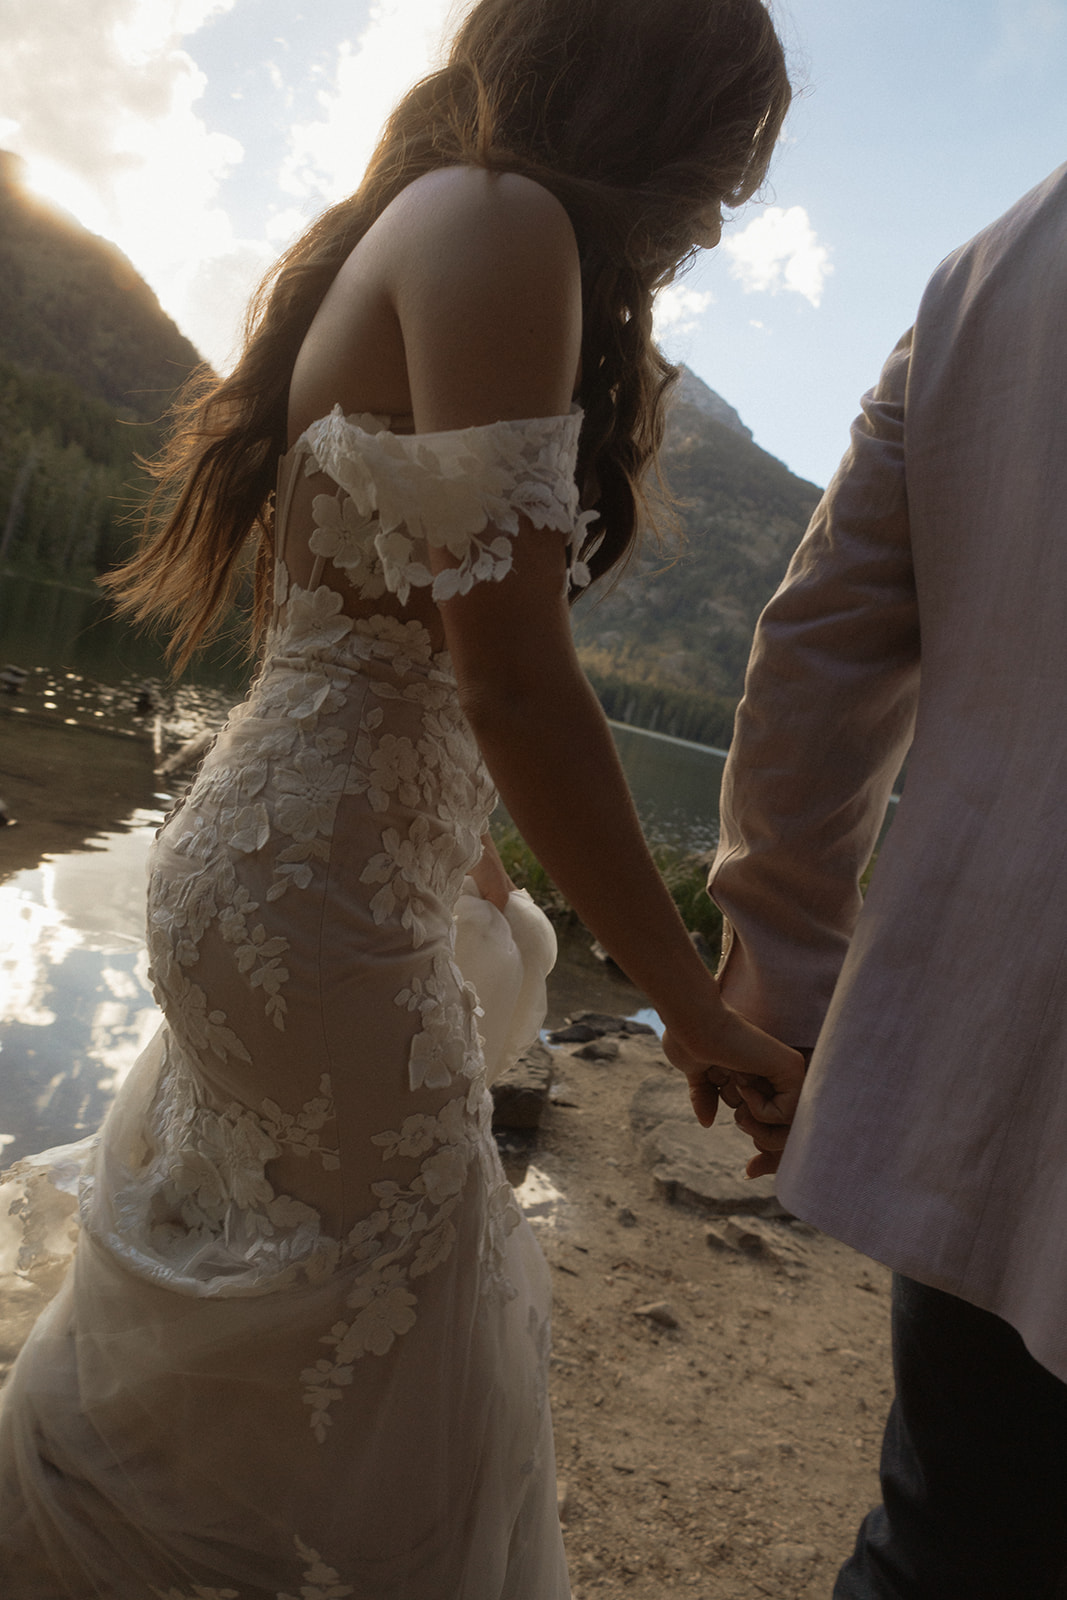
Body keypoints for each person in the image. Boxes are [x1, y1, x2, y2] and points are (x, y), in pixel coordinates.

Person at [0, 2, 803, 1595]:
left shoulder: (446, 223)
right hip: (308, 892)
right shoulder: (502, 224)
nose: (728, 206)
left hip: (290, 867)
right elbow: (511, 681)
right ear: (654, 101)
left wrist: (475, 876)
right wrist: (693, 1013)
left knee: (267, 1332)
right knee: (417, 1334)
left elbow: (406, 658)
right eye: (731, 148)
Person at [704, 161, 1067, 1599]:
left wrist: (784, 990)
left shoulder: (994, 271)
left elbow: (820, 651)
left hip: (1001, 1074)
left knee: (945, 1549)